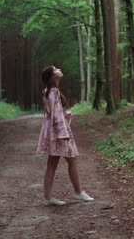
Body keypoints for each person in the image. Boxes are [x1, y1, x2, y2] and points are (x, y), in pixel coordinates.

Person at [36, 65, 94, 206]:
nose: (59, 69)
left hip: (53, 130)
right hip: (58, 132)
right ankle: (78, 193)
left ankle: (49, 198)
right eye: (55, 69)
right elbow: (56, 116)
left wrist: (64, 115)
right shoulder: (54, 91)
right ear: (52, 76)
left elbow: (54, 114)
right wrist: (63, 133)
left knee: (53, 163)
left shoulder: (48, 91)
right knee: (71, 160)